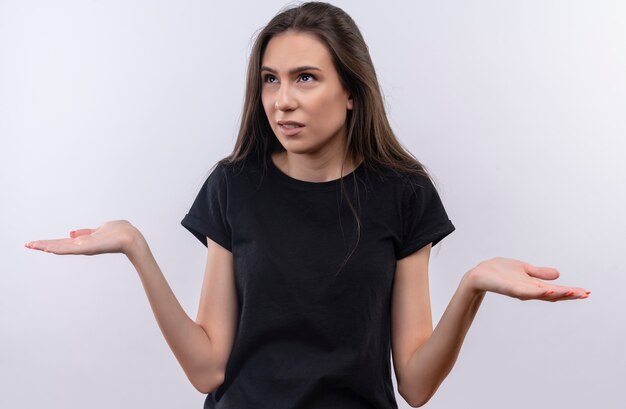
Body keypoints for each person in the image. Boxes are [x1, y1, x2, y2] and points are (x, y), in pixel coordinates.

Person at [24, 2, 590, 408]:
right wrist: (136, 249)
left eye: (305, 78)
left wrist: (472, 286)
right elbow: (207, 370)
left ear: (350, 92)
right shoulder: (233, 187)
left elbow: (415, 387)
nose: (282, 100)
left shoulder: (403, 193)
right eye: (270, 80)